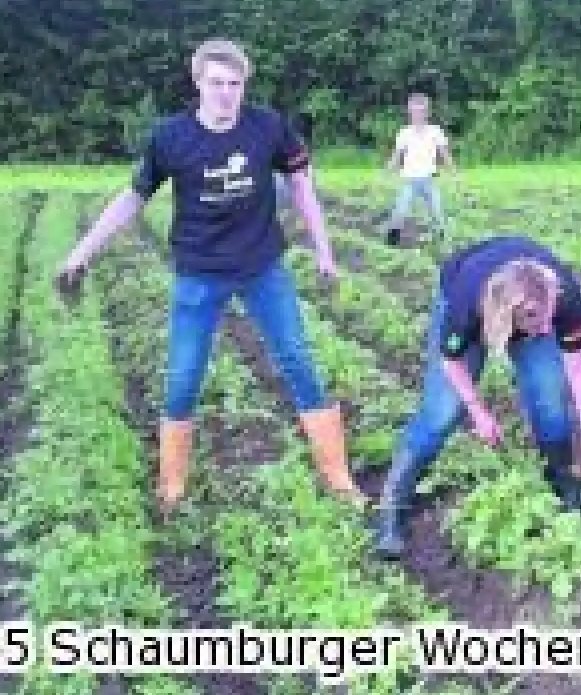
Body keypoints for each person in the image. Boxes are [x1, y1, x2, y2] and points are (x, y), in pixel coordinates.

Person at [55, 38, 366, 513]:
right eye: (216, 83)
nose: (226, 93)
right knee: (182, 377)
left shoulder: (268, 128)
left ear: (245, 86)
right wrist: (81, 253)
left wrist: (325, 252)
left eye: (235, 84)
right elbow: (132, 198)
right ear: (198, 82)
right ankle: (172, 488)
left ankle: (338, 478)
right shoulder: (171, 138)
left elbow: (301, 184)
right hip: (199, 274)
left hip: (263, 268)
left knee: (298, 362)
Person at [372, 235, 581, 559]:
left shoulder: (563, 296)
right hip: (474, 297)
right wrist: (478, 411)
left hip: (529, 303)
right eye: (540, 319)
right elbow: (452, 362)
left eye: (552, 315)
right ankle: (392, 504)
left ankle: (563, 482)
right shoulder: (467, 303)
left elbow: (579, 370)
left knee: (550, 398)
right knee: (443, 411)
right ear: (509, 316)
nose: (550, 328)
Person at [383, 93, 455, 246]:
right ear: (410, 112)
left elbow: (444, 154)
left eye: (421, 111)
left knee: (437, 212)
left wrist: (454, 172)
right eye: (414, 111)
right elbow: (397, 155)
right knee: (401, 210)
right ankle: (392, 237)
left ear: (426, 112)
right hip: (410, 180)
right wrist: (387, 171)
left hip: (429, 179)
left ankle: (442, 238)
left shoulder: (435, 131)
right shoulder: (404, 132)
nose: (417, 114)